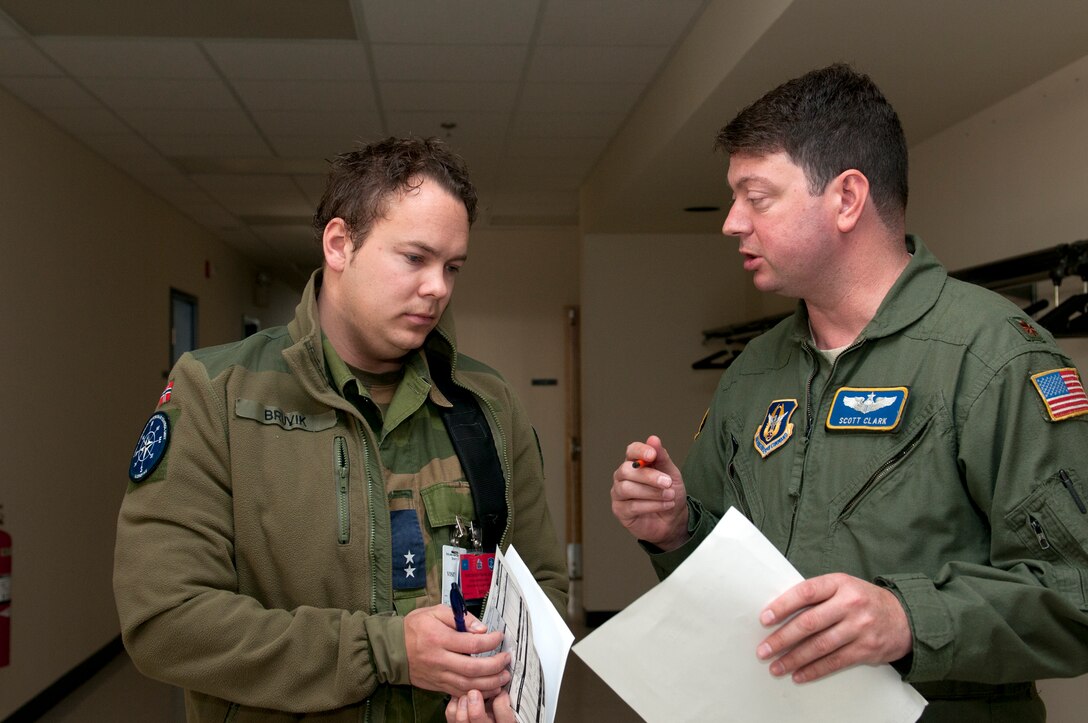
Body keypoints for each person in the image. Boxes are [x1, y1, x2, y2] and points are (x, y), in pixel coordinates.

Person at [610, 64, 1088, 721]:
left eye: (757, 196)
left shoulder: (993, 359)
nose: (730, 223)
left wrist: (906, 617)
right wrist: (672, 528)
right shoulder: (754, 370)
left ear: (846, 198)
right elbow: (716, 567)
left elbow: (1077, 592)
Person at [115, 136, 567, 722]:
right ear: (339, 244)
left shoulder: (487, 403)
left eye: (452, 267)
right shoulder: (217, 393)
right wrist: (385, 650)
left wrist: (504, 685)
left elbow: (541, 588)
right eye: (415, 258)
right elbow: (165, 622)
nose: (439, 288)